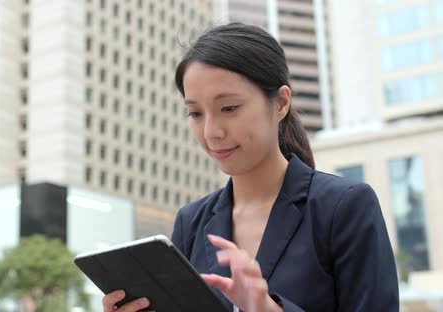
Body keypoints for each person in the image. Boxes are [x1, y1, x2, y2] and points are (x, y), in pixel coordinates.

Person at [101, 23, 399, 312]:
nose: (211, 132)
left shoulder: (343, 207)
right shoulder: (191, 222)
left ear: (280, 103)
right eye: (195, 113)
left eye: (229, 108)